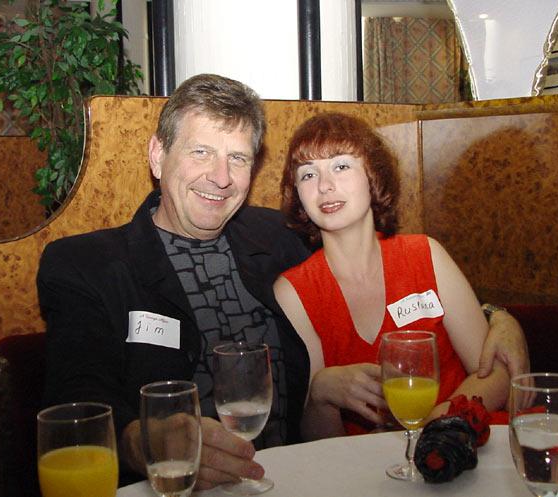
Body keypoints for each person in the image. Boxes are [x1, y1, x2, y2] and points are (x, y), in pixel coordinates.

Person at [39, 74, 526, 490]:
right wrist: (145, 440)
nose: (220, 177)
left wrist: (497, 316)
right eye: (201, 152)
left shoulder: (277, 238)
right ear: (157, 154)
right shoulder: (87, 264)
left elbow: (377, 268)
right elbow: (76, 400)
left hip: (289, 478)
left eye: (237, 158)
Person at [274, 112, 512, 440]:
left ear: (373, 175)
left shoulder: (426, 255)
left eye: (341, 166)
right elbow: (321, 448)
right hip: (366, 464)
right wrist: (321, 395)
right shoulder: (293, 292)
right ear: (298, 194)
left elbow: (495, 375)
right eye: (308, 174)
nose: (325, 186)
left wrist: (436, 424)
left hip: (467, 443)